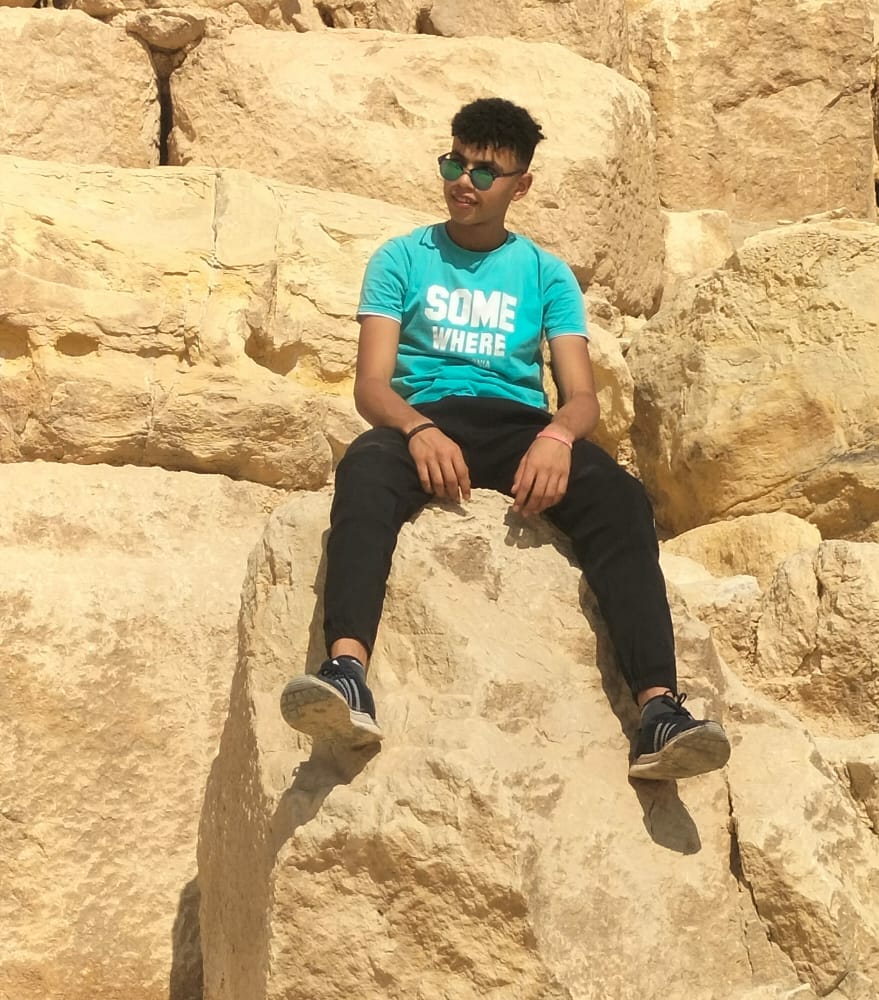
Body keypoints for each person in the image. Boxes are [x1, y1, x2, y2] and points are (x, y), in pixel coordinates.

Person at [281, 97, 730, 781]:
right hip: (426, 417)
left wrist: (558, 436)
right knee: (366, 468)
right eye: (455, 163)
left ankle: (659, 712)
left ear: (521, 186)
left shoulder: (546, 274)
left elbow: (582, 396)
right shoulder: (401, 258)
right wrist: (417, 428)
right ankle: (347, 673)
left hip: (520, 426)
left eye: (485, 172)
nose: (464, 181)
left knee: (620, 499)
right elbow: (371, 385)